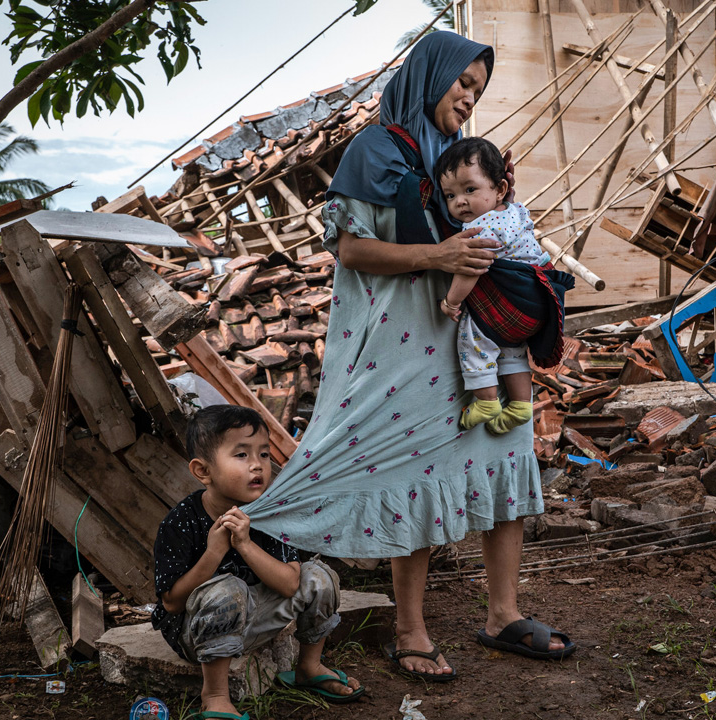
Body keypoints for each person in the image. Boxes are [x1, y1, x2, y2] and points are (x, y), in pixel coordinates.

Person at [239, 31, 576, 681]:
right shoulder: (377, 149)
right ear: (430, 77)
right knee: (413, 480)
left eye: (478, 89)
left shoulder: (463, 158)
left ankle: (503, 614)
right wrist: (438, 257)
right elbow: (351, 248)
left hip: (477, 342)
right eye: (462, 84)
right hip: (405, 351)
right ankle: (410, 628)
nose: (470, 98)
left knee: (503, 462)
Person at [151, 405, 362, 720]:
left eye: (263, 454)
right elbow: (171, 603)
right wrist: (213, 553)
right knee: (227, 589)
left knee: (318, 576)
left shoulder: (269, 515)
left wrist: (246, 545)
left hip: (255, 621)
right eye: (241, 455)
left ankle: (308, 667)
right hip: (196, 633)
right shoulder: (182, 521)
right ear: (203, 471)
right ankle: (216, 694)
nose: (257, 466)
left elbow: (291, 584)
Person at [435, 136, 555, 435]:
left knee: (472, 337)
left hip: (509, 304)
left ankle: (486, 401)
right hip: (538, 302)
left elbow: (470, 268)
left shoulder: (484, 227)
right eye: (449, 195)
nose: (460, 201)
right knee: (512, 351)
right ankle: (520, 405)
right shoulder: (515, 212)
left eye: (470, 189)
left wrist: (451, 302)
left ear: (500, 188)